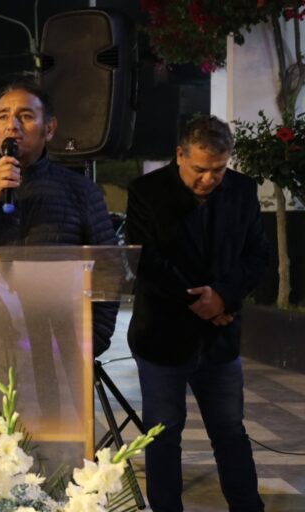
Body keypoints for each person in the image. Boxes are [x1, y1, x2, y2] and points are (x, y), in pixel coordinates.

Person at [0, 79, 118, 435]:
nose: (12, 124)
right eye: (3, 116)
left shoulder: (80, 192)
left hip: (58, 363)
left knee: (54, 475)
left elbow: (108, 272)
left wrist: (91, 343)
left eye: (25, 115)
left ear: (50, 128)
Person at [126, 115, 269, 511]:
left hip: (220, 338)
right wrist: (202, 304)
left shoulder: (243, 191)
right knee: (163, 432)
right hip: (162, 337)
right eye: (200, 169)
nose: (209, 179)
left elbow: (258, 256)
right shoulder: (146, 191)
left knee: (229, 431)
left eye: (219, 170)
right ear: (179, 155)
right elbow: (148, 262)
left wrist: (223, 298)